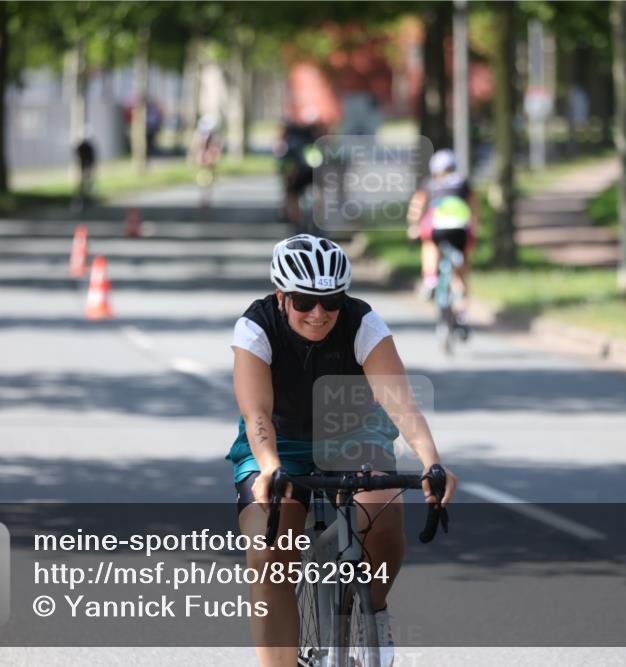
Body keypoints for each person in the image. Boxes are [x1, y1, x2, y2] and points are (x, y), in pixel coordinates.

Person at [228, 234, 457, 667]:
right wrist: (270, 466)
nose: (319, 313)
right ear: (281, 296)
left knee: (383, 514)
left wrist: (430, 459)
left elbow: (401, 404)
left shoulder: (362, 323)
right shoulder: (255, 327)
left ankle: (373, 611)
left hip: (353, 434)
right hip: (280, 440)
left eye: (331, 301)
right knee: (269, 548)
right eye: (304, 302)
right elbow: (256, 413)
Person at [406, 149, 478, 318]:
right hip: (461, 229)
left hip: (438, 228)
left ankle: (430, 280)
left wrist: (414, 226)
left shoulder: (429, 184)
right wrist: (474, 227)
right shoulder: (463, 183)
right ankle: (462, 314)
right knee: (460, 273)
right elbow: (474, 208)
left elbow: (417, 207)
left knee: (430, 245)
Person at [276, 110, 324, 229]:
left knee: (291, 193)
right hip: (315, 172)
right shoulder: (317, 140)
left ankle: (296, 220)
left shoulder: (291, 141)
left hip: (299, 173)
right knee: (322, 191)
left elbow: (285, 161)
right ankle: (321, 217)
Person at [192, 113, 224, 213]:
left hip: (210, 161)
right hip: (202, 161)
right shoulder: (199, 135)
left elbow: (218, 148)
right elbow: (196, 146)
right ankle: (203, 199)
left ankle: (207, 199)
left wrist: (215, 156)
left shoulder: (215, 136)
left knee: (209, 181)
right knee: (202, 181)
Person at [74, 129, 97, 210]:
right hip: (83, 166)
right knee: (83, 183)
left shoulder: (88, 146)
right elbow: (77, 155)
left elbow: (92, 157)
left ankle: (88, 197)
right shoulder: (82, 146)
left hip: (87, 166)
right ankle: (82, 198)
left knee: (88, 182)